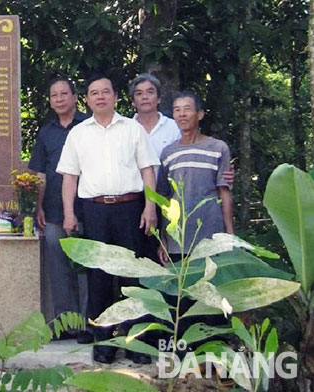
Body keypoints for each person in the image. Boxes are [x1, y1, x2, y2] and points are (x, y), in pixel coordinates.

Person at [56, 72, 159, 364]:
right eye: (94, 92)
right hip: (95, 211)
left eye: (105, 91)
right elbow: (69, 178)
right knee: (99, 279)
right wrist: (68, 214)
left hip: (130, 209)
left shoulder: (132, 129)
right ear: (87, 100)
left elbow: (147, 170)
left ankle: (139, 345)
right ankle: (104, 345)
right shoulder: (78, 133)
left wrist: (150, 207)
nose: (100, 96)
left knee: (133, 278)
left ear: (115, 97)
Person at [28, 75, 92, 344]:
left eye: (64, 94)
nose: (59, 99)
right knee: (58, 268)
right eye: (54, 95)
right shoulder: (46, 133)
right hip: (53, 211)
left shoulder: (89, 127)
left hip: (88, 209)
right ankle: (64, 323)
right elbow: (39, 173)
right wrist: (38, 206)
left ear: (75, 98)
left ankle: (89, 323)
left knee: (86, 269)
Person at [157, 91, 234, 263]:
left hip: (210, 233)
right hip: (178, 236)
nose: (182, 114)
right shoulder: (168, 153)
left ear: (199, 114)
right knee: (180, 287)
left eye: (187, 109)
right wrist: (163, 238)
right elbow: (164, 198)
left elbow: (224, 192)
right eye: (177, 110)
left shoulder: (218, 148)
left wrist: (230, 234)